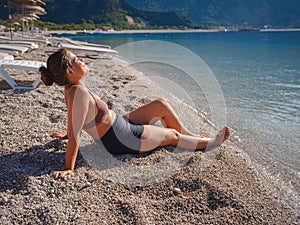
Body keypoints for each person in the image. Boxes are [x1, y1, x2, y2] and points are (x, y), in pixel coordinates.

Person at [39, 49, 230, 180]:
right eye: (76, 59)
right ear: (70, 70)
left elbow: (74, 118)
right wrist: (69, 169)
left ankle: (191, 138)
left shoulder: (73, 88)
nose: (81, 59)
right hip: (122, 139)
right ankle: (211, 142)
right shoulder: (78, 92)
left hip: (120, 124)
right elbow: (76, 134)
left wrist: (67, 132)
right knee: (172, 136)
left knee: (160, 104)